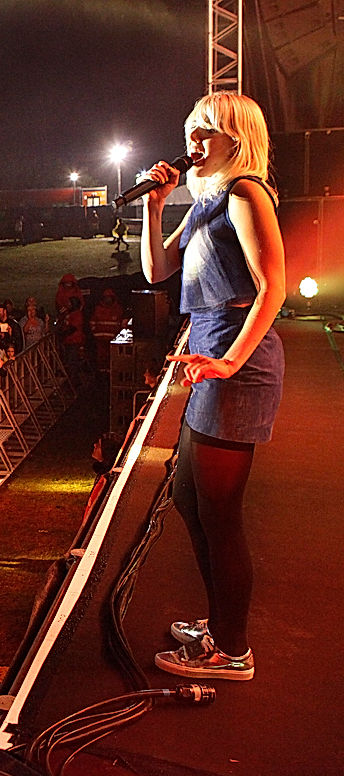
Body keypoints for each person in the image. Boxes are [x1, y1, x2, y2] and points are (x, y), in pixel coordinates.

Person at [141, 92, 285, 681]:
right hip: (211, 360)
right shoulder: (204, 202)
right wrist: (153, 207)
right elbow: (157, 271)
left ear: (236, 138)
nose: (192, 143)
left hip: (236, 366)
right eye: (190, 131)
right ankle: (218, 620)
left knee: (220, 513)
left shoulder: (246, 192)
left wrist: (228, 363)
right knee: (187, 500)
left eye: (206, 133)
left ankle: (232, 648)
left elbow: (272, 287)